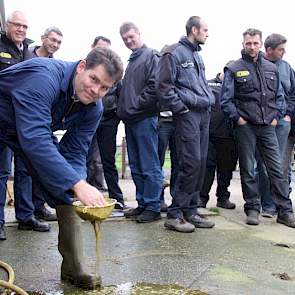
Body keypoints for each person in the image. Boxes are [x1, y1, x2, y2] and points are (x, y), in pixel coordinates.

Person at [0, 47, 124, 288]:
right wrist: (78, 184)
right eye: (93, 79)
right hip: (17, 127)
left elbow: (76, 151)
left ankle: (74, 269)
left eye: (104, 88)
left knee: (66, 191)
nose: (95, 90)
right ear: (81, 67)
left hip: (20, 131)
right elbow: (35, 139)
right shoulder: (43, 77)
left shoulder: (93, 108)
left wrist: (77, 188)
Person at [221, 28, 295, 228]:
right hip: (246, 127)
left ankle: (285, 212)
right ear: (243, 44)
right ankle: (252, 208)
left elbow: (280, 97)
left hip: (267, 127)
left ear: (261, 44)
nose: (252, 47)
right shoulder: (234, 69)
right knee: (248, 169)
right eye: (248, 43)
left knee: (276, 169)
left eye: (255, 43)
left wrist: (276, 117)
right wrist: (238, 119)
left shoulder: (271, 68)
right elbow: (226, 100)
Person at [157, 16, 215, 233]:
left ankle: (190, 210)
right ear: (194, 30)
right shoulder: (173, 53)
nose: (208, 34)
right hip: (188, 114)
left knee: (200, 163)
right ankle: (175, 214)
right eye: (205, 30)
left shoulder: (197, 56)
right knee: (190, 163)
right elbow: (164, 86)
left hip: (203, 113)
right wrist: (181, 109)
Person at [0, 11, 50, 241]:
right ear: (7, 25)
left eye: (24, 26)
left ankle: (26, 216)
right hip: (2, 121)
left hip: (24, 120)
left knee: (25, 170)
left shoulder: (29, 52)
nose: (21, 29)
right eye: (17, 25)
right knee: (1, 173)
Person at [118, 22, 163, 223]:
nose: (129, 41)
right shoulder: (132, 60)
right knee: (135, 165)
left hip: (145, 118)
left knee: (149, 164)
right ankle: (143, 203)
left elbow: (155, 86)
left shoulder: (151, 55)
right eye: (125, 39)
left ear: (138, 33)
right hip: (131, 119)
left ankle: (153, 206)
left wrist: (136, 106)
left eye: (131, 36)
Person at [21, 26, 63, 222]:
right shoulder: (25, 54)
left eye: (58, 42)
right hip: (18, 117)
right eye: (52, 40)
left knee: (36, 166)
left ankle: (37, 209)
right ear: (43, 38)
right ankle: (23, 214)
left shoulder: (56, 66)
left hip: (41, 120)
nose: (54, 44)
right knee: (17, 171)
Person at [257, 33, 295, 218]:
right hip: (263, 121)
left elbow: (293, 93)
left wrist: (288, 114)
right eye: (281, 49)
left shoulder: (287, 67)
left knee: (280, 164)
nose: (284, 52)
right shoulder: (258, 64)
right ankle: (267, 204)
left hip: (282, 123)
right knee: (263, 164)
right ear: (269, 50)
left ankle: (281, 204)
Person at [88, 35, 127, 210]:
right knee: (83, 158)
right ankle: (80, 197)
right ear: (92, 48)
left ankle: (117, 198)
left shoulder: (115, 74)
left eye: (107, 50)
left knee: (108, 160)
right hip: (87, 120)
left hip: (108, 121)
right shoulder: (87, 69)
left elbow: (121, 96)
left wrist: (116, 117)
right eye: (100, 49)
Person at [199, 65, 238, 210]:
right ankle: (202, 197)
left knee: (226, 169)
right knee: (207, 168)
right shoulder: (208, 83)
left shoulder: (238, 86)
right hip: (209, 135)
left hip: (230, 136)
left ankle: (223, 198)